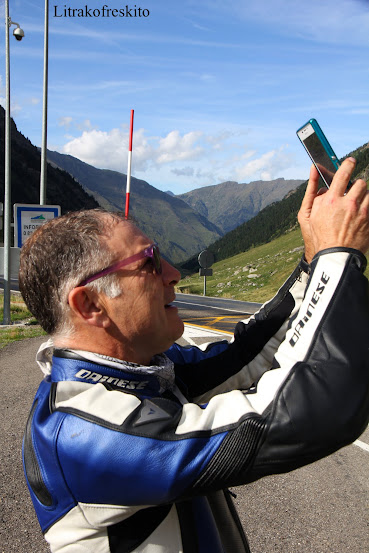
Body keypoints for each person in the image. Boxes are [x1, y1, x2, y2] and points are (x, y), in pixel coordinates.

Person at [20, 158, 369, 553]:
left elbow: (246, 353)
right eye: (149, 262)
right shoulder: (82, 435)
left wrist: (311, 262)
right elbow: (307, 413)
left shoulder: (142, 372)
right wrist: (339, 257)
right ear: (91, 305)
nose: (172, 272)